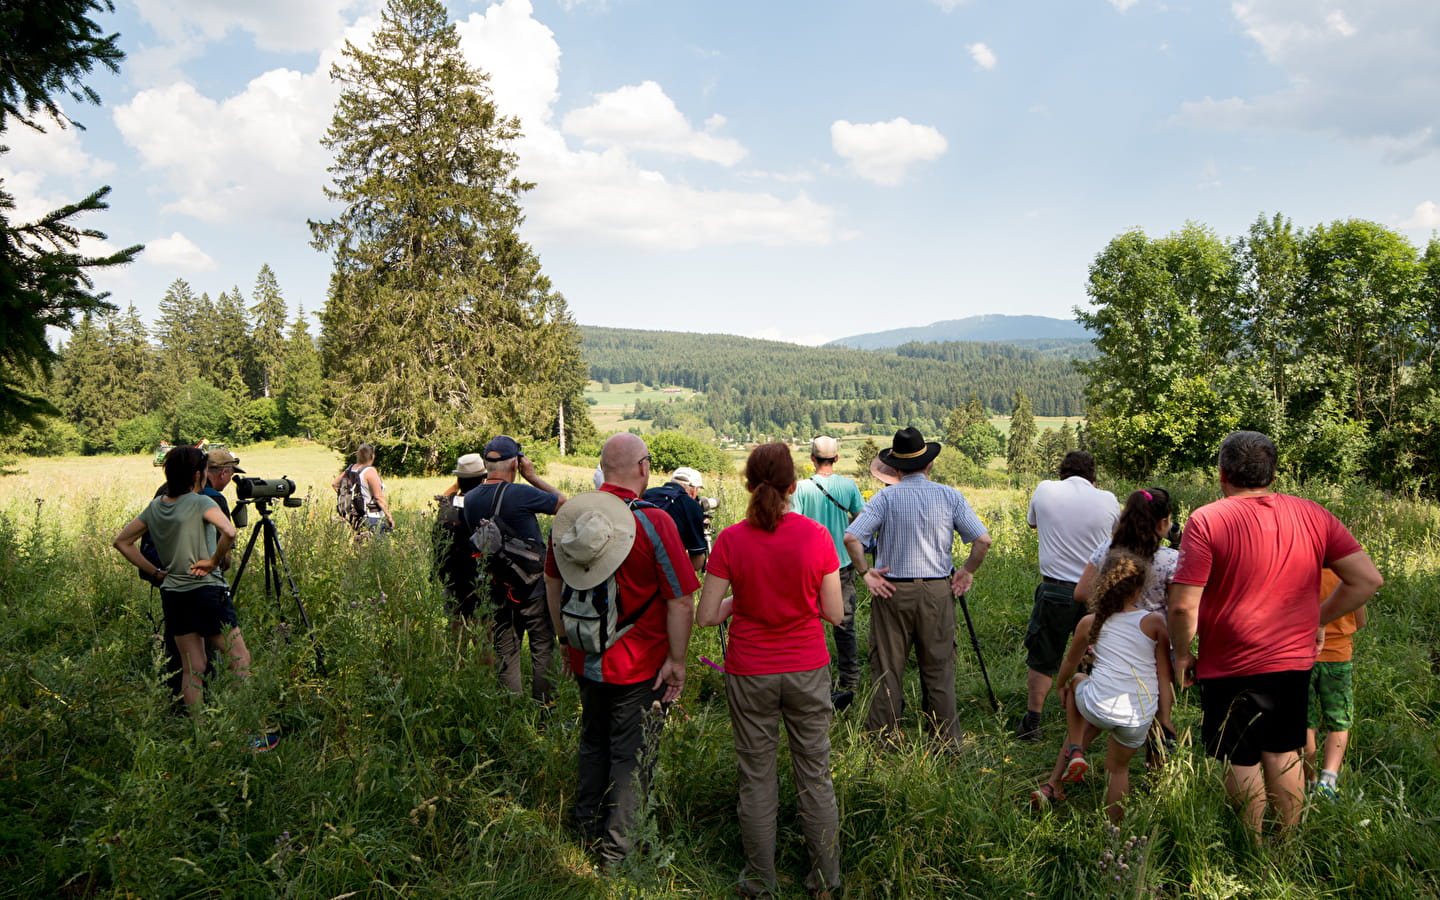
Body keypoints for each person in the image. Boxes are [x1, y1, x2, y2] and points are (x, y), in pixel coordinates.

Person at [1169, 431, 1383, 834]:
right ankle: (1287, 844)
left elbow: (1183, 604)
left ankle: (1251, 845)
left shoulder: (1207, 519)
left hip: (1228, 661)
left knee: (1240, 756)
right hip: (1293, 660)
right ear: (1272, 472)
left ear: (1222, 474)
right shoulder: (1313, 514)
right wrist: (1318, 619)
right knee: (1285, 750)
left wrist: (1182, 654)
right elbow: (1366, 580)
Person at [544, 433, 700, 869]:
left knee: (594, 742)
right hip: (640, 663)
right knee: (632, 757)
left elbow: (552, 582)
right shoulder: (655, 522)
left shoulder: (572, 514)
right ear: (644, 467)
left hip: (583, 653)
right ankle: (618, 854)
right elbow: (681, 598)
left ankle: (587, 831)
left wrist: (563, 639)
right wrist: (678, 662)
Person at [698, 442, 845, 898]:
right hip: (806, 668)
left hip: (750, 671)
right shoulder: (817, 537)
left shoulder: (730, 539)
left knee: (757, 777)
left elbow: (706, 615)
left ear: (747, 483)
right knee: (815, 774)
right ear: (793, 485)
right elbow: (835, 614)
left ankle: (760, 880)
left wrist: (744, 596)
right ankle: (825, 880)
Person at [843, 427, 992, 746]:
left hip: (891, 591)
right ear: (929, 464)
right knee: (939, 669)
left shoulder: (884, 497)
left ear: (895, 468)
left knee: (887, 668)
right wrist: (966, 571)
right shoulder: (949, 495)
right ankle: (945, 744)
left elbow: (852, 537)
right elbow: (982, 539)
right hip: (937, 590)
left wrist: (866, 572)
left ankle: (881, 742)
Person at [112, 447, 255, 719]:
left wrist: (155, 572)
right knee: (240, 659)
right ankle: (244, 727)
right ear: (198, 474)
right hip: (206, 591)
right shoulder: (201, 502)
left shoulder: (156, 506)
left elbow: (122, 542)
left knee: (193, 667)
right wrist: (213, 561)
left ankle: (199, 732)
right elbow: (229, 531)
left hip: (173, 594)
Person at [1030, 549, 1171, 823]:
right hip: (1138, 714)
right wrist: (1164, 718)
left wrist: (1062, 686)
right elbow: (1164, 676)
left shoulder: (1090, 622)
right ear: (1140, 588)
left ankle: (1072, 755)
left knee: (1080, 683)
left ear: (1101, 585)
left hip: (1098, 705)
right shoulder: (1154, 623)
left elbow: (1070, 663)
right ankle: (1113, 832)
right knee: (1118, 770)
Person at [1018, 450, 1119, 742]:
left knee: (1043, 655)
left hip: (1055, 588)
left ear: (1062, 471)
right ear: (1093, 476)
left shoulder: (1045, 489)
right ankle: (1093, 717)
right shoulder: (1108, 499)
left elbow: (1032, 523)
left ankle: (1033, 721)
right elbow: (1116, 535)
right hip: (1095, 591)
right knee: (1094, 654)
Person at [1074, 487, 1179, 756]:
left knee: (1101, 706)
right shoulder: (1170, 560)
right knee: (1154, 711)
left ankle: (1071, 760)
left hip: (1112, 641)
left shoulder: (1107, 551)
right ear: (1163, 523)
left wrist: (1110, 600)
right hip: (1154, 644)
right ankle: (1156, 776)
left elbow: (1081, 592)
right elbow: (1179, 608)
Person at [465, 436, 566, 702]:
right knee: (542, 648)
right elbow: (565, 505)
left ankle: (510, 710)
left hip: (496, 586)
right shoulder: (522, 493)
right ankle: (545, 711)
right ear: (515, 464)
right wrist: (531, 476)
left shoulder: (471, 499)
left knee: (505, 650)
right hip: (532, 586)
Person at [791, 435, 866, 696]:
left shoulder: (800, 488)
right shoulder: (848, 486)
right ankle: (850, 679)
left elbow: (793, 524)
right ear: (836, 458)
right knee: (844, 624)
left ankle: (812, 678)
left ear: (812, 458)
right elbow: (861, 519)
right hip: (842, 564)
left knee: (807, 623)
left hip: (809, 565)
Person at [1304, 567, 1367, 798]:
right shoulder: (1347, 574)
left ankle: (1308, 780)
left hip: (1302, 657)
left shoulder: (1300, 569)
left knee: (1305, 722)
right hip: (1339, 657)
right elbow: (1360, 622)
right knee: (1339, 721)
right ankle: (1328, 781)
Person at [435, 452, 486, 634]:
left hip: (452, 578)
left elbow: (443, 495)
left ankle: (457, 663)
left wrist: (460, 481)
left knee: (456, 632)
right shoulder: (483, 506)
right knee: (482, 635)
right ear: (482, 479)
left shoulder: (447, 506)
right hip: (478, 579)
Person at [642, 466, 709, 572]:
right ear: (694, 489)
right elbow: (697, 562)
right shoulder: (689, 504)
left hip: (635, 566)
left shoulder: (646, 494)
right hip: (664, 574)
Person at [332, 443, 394, 533]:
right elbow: (378, 497)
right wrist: (389, 516)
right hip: (372, 516)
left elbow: (335, 484)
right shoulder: (370, 471)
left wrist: (350, 498)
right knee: (376, 545)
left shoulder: (350, 468)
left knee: (359, 544)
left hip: (354, 516)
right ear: (372, 456)